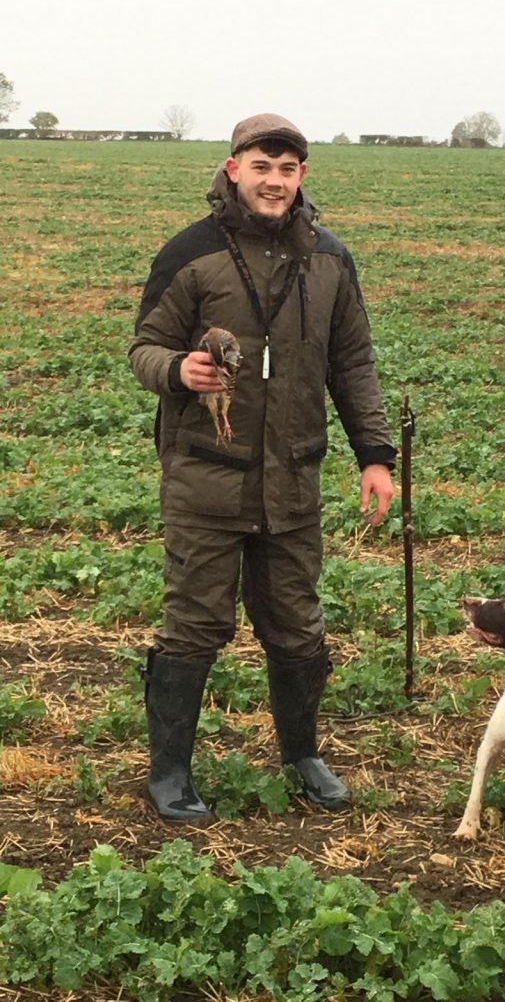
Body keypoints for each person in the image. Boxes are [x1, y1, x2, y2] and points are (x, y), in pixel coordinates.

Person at [129, 113, 396, 823]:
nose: (274, 182)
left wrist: (375, 456)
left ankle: (302, 754)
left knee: (297, 625)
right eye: (261, 167)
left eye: (287, 170)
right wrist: (178, 371)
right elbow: (143, 348)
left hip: (293, 475)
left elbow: (353, 365)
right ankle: (169, 772)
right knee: (193, 623)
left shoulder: (331, 259)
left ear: (301, 176)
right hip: (206, 474)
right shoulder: (190, 253)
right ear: (233, 169)